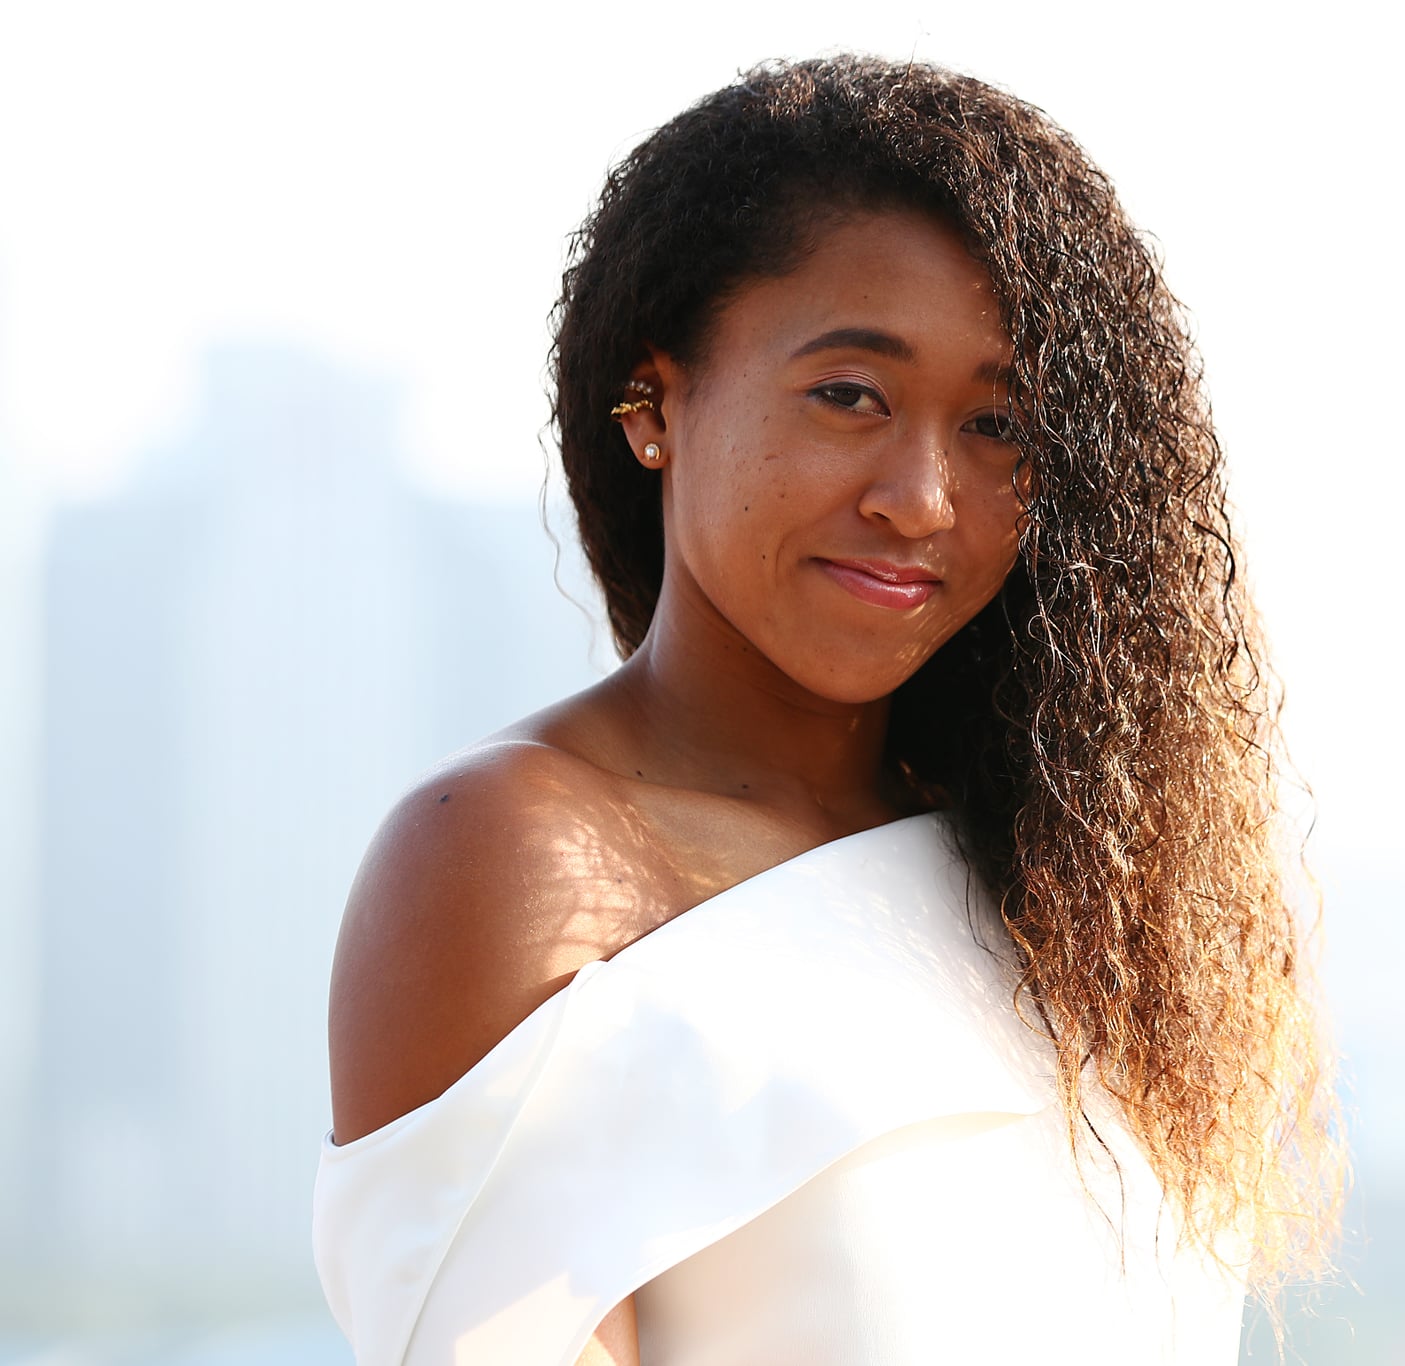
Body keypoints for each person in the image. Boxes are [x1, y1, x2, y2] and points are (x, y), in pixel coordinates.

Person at [313, 54, 1346, 1365]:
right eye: (850, 394)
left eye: (997, 425)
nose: (922, 497)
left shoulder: (1063, 870)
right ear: (654, 399)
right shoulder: (515, 857)